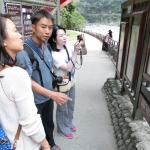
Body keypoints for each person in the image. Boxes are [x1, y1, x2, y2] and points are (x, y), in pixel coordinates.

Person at [16, 10, 71, 150]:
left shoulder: (46, 46)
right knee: (35, 129)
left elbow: (47, 69)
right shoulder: (24, 51)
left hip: (47, 96)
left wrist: (52, 90)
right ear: (33, 27)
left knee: (48, 123)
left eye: (50, 27)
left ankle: (51, 144)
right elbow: (26, 80)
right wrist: (53, 94)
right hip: (34, 101)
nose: (47, 31)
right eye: (43, 26)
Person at [0, 14, 50, 150]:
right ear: (3, 40)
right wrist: (45, 145)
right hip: (24, 145)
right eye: (15, 30)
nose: (21, 35)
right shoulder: (16, 74)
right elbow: (30, 122)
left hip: (8, 142)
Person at [48, 25, 87, 139]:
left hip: (72, 82)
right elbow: (68, 68)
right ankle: (62, 128)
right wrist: (75, 52)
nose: (64, 37)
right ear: (54, 39)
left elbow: (84, 53)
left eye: (65, 34)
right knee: (62, 108)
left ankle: (69, 123)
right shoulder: (54, 54)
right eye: (61, 35)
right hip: (61, 86)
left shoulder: (68, 48)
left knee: (70, 106)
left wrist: (83, 44)